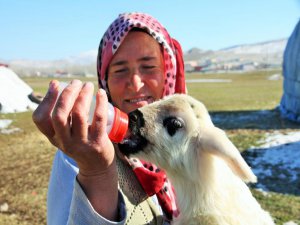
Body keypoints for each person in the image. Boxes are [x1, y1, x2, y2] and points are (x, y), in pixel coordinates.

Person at [32, 12, 186, 224]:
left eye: (149, 67)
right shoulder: (80, 150)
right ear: (105, 80)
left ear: (168, 71)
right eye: (120, 70)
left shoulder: (182, 140)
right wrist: (95, 173)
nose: (136, 83)